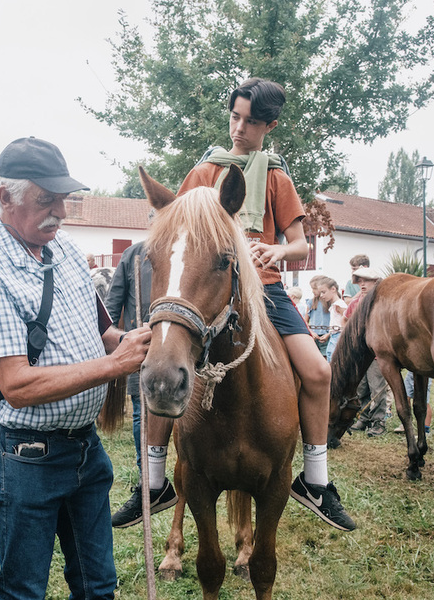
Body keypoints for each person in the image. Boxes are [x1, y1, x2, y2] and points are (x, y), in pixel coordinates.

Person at [114, 78, 356, 532]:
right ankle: (154, 481)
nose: (239, 128)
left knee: (318, 372)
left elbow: (300, 244)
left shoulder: (278, 177)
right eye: (235, 117)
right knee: (161, 362)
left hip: (264, 288)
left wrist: (277, 250)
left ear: (270, 126)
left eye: (251, 122)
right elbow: (179, 231)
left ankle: (315, 480)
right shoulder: (203, 172)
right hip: (207, 287)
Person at [0, 137, 151, 600]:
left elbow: (102, 330)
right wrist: (114, 365)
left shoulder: (63, 249)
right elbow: (18, 386)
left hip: (85, 446)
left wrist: (139, 343)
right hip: (27, 456)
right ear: (5, 197)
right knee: (24, 590)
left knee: (98, 585)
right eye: (47, 200)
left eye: (63, 199)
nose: (60, 212)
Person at [104, 240, 152, 477]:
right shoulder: (134, 254)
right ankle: (148, 479)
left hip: (180, 350)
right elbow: (111, 309)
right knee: (142, 413)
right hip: (143, 348)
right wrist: (112, 352)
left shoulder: (192, 248)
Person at [344, 267, 392, 437]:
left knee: (377, 389)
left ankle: (378, 422)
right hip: (359, 353)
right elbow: (345, 320)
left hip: (376, 354)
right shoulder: (355, 303)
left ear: (376, 282)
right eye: (360, 281)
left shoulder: (382, 303)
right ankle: (364, 418)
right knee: (361, 388)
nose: (362, 284)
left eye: (367, 281)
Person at [319, 277, 347, 362]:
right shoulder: (335, 305)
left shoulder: (339, 305)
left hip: (339, 336)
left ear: (333, 289)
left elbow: (347, 321)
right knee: (330, 356)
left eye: (323, 292)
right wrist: (328, 334)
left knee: (333, 359)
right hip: (334, 335)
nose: (321, 295)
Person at [305, 274, 330, 357]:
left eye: (315, 288)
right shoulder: (310, 302)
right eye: (312, 288)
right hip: (314, 337)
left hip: (327, 337)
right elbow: (305, 321)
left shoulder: (330, 303)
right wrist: (311, 332)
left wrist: (328, 334)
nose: (313, 291)